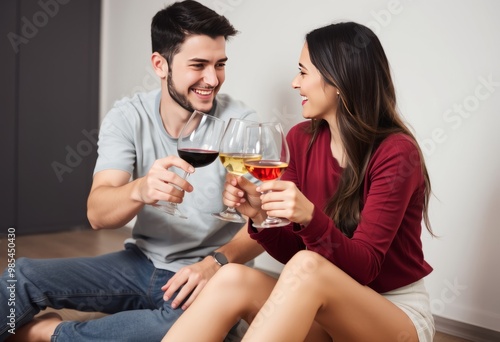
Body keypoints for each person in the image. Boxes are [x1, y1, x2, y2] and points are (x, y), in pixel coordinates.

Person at [0, 1, 263, 341]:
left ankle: (48, 334)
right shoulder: (128, 116)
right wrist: (140, 190)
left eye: (220, 65)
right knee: (19, 277)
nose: (212, 79)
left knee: (183, 331)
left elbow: (264, 227)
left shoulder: (240, 123)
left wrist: (216, 262)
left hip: (205, 272)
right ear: (160, 64)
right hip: (140, 264)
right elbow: (97, 213)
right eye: (198, 65)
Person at [162, 21, 436, 342]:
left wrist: (308, 216)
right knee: (232, 277)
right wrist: (261, 218)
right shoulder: (301, 139)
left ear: (338, 80)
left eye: (303, 72)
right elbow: (292, 252)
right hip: (324, 309)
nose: (295, 83)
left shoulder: (396, 152)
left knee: (309, 265)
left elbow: (365, 268)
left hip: (392, 318)